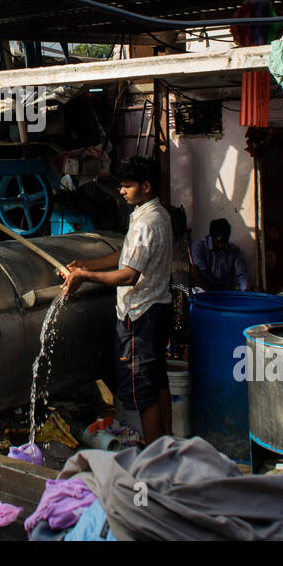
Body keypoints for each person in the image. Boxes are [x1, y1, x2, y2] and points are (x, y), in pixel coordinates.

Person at [60, 156, 173, 444]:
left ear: (146, 186)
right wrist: (88, 263)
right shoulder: (153, 214)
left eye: (127, 186)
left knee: (145, 389)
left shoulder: (147, 223)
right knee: (158, 381)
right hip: (156, 308)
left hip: (140, 315)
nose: (121, 191)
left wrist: (85, 276)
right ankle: (167, 442)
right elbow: (126, 254)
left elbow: (128, 275)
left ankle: (153, 452)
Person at [190, 218, 250, 292]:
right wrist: (212, 292)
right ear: (211, 236)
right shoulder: (198, 246)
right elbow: (202, 271)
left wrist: (245, 289)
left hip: (225, 290)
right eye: (218, 242)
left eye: (224, 242)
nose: (221, 245)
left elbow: (241, 274)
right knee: (195, 270)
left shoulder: (234, 250)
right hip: (205, 288)